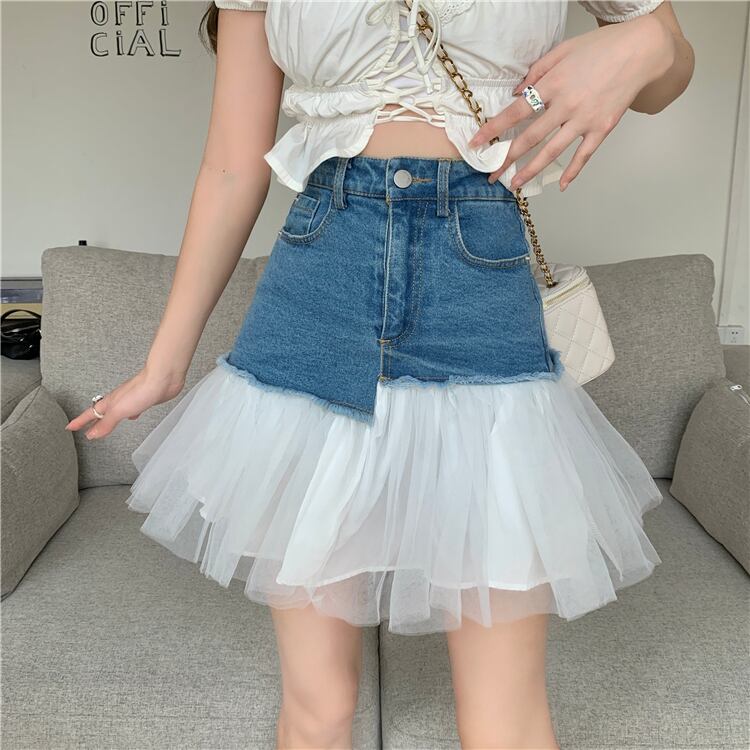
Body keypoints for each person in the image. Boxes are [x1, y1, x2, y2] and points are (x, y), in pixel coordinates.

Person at [65, 1, 694, 748]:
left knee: (507, 722)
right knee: (319, 709)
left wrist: (648, 41)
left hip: (480, 275)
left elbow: (666, 76)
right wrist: (163, 365)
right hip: (321, 271)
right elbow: (232, 164)